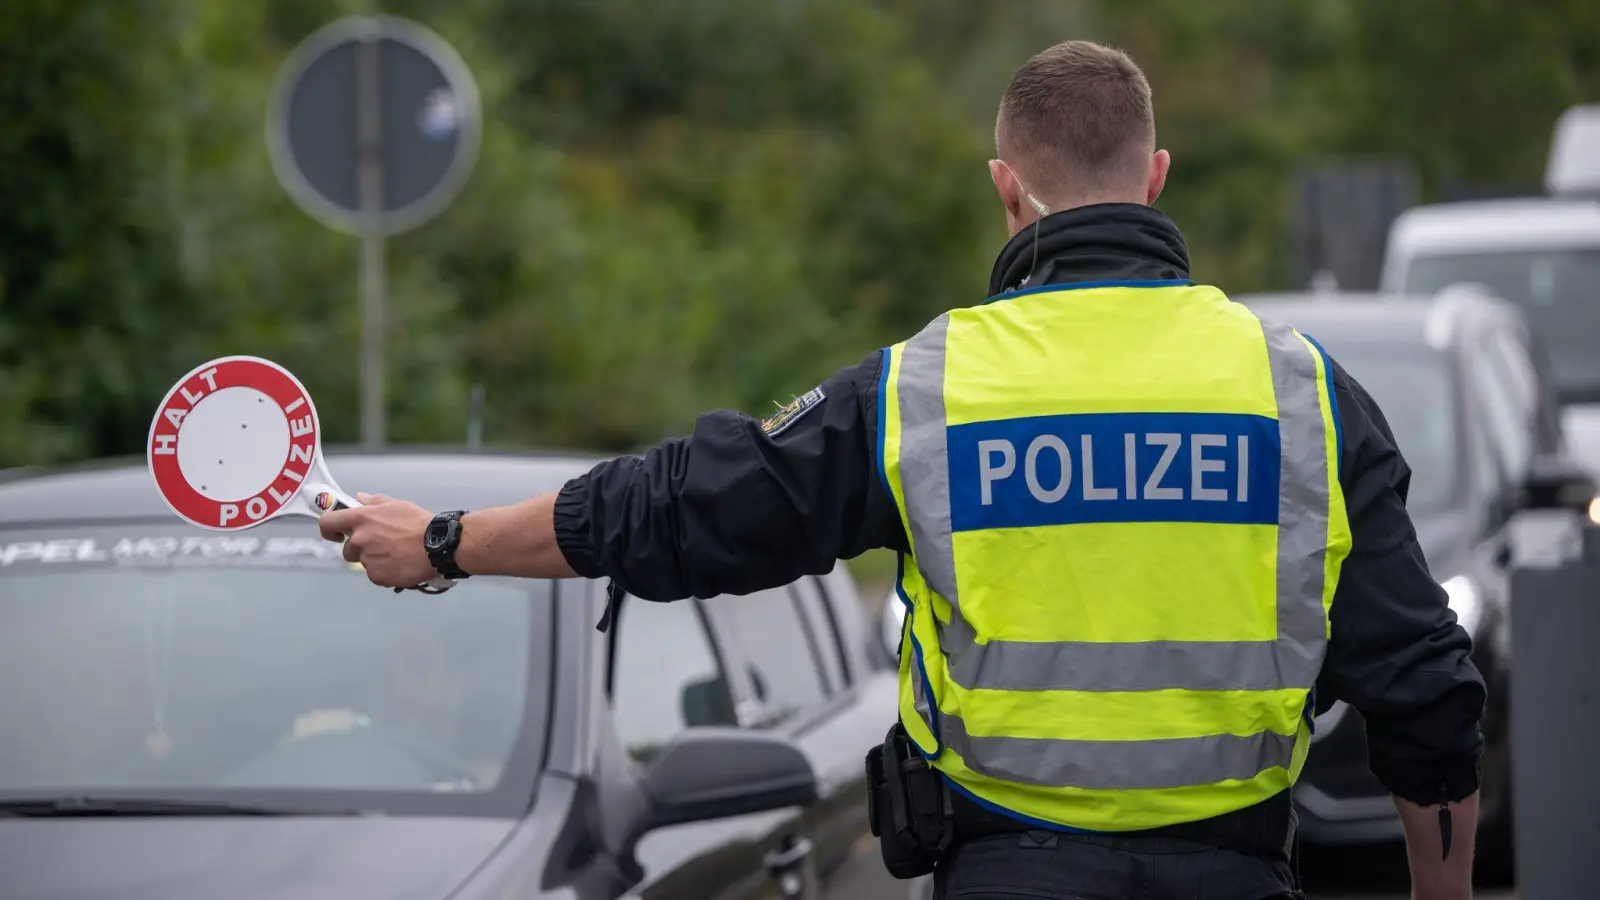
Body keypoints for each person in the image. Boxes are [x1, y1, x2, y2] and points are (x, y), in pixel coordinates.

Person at [320, 40, 1486, 900]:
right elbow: (1424, 686)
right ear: (1156, 175)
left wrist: (442, 542)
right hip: (1234, 875)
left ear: (1005, 186)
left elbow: (685, 510)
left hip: (1006, 877)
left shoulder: (927, 390)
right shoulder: (1302, 394)